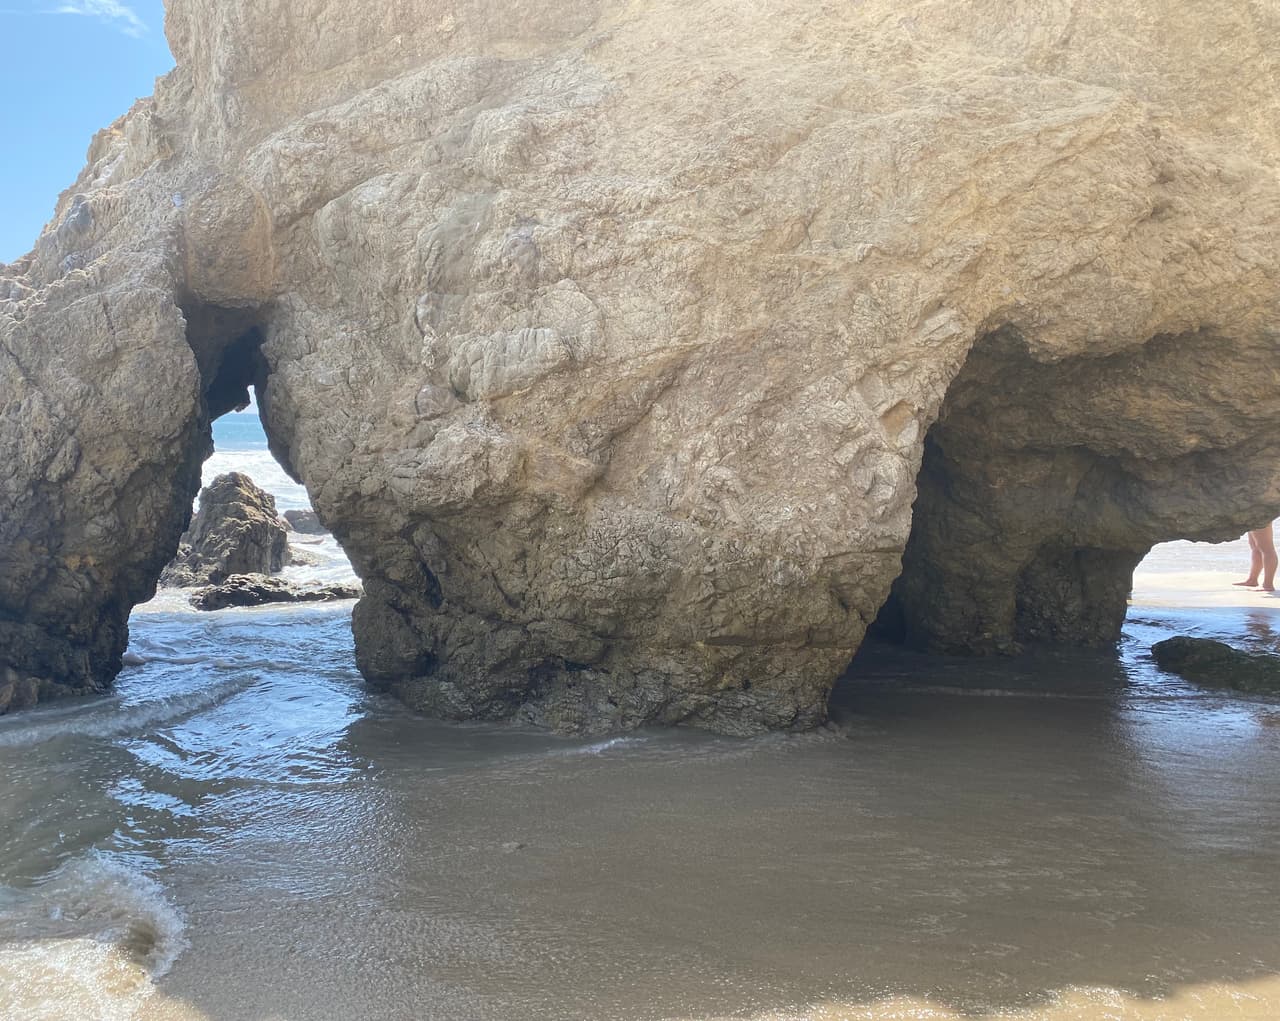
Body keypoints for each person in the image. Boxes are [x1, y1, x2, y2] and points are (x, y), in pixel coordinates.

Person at [1233, 522, 1278, 591]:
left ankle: (1268, 585)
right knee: (1255, 547)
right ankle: (1252, 580)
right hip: (1252, 514)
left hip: (1260, 515)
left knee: (1267, 549)